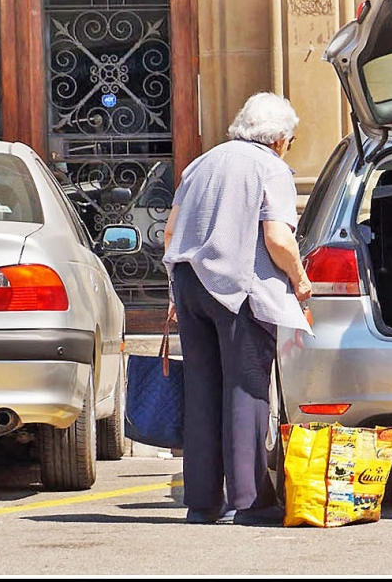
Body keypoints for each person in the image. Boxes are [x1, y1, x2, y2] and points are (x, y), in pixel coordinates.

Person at [162, 92, 313, 525]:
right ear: (280, 138)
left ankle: (202, 503)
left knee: (203, 389)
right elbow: (278, 239)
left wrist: (175, 295)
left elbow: (171, 233)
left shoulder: (201, 164)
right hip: (237, 288)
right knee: (245, 389)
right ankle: (249, 503)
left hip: (190, 284)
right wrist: (301, 282)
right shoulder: (271, 168)